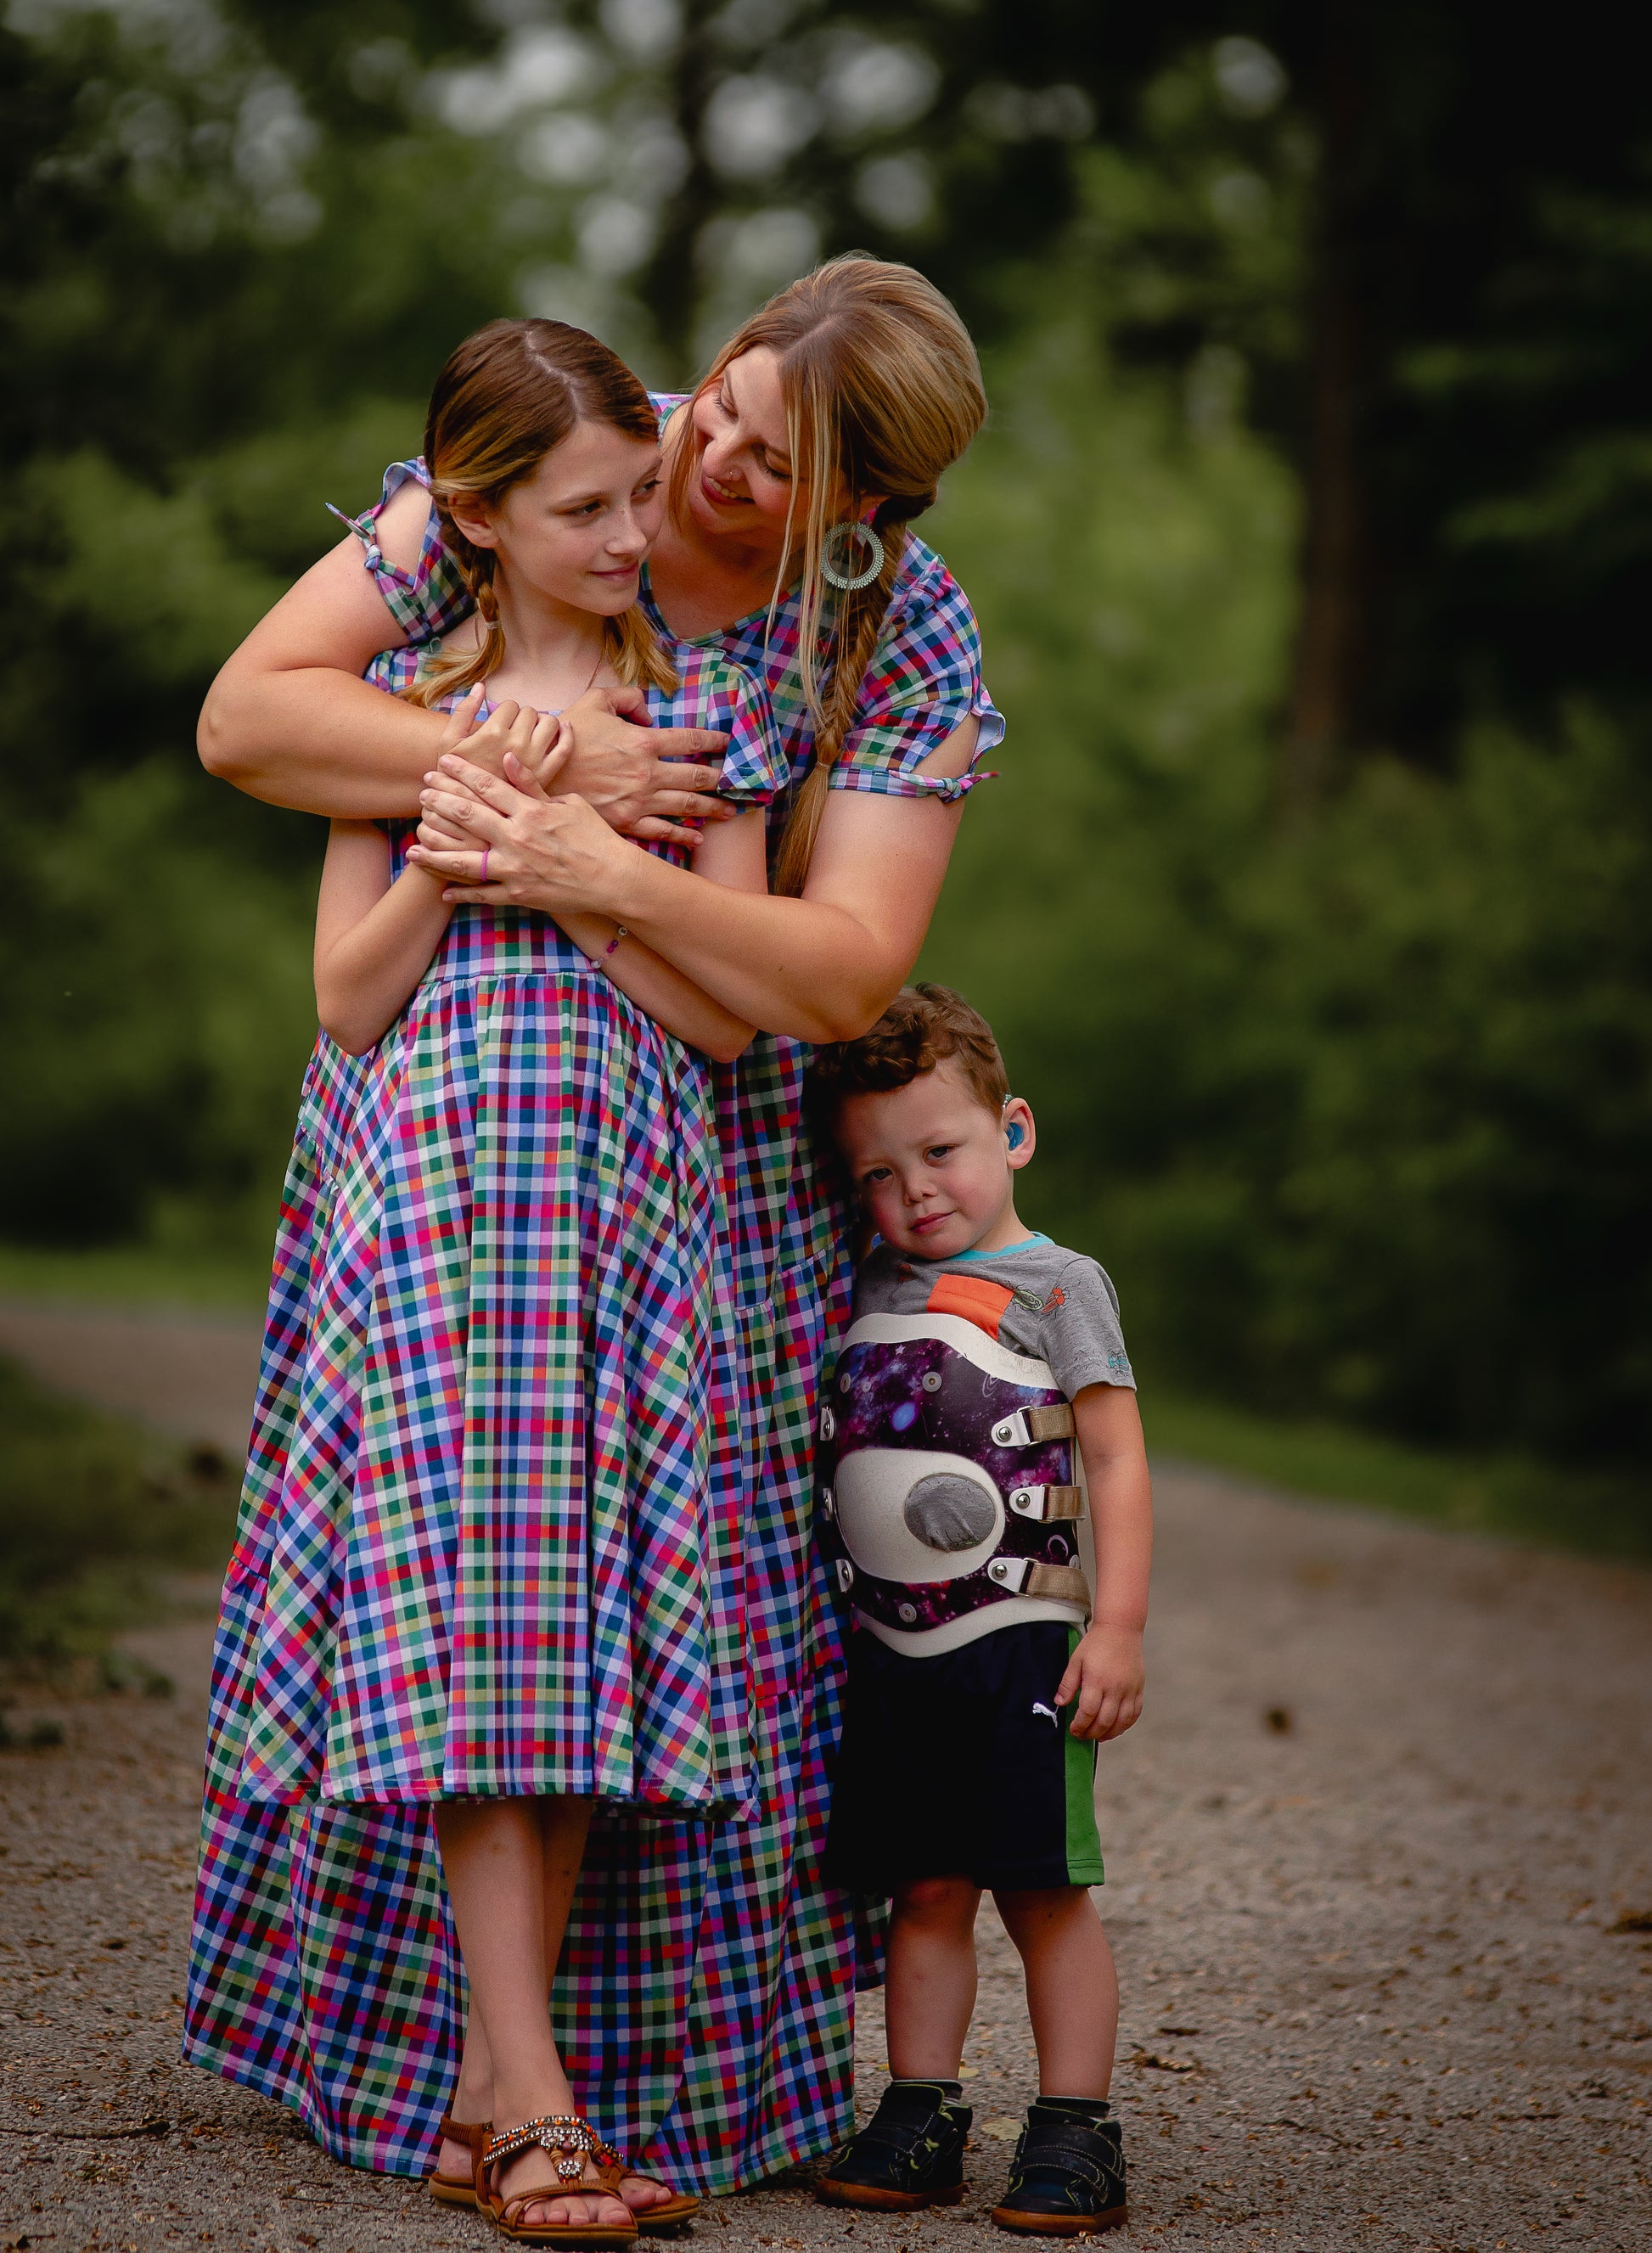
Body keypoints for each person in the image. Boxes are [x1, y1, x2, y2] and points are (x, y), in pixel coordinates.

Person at [190, 256, 1001, 2199]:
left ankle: (546, 2091)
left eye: (763, 463)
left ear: (866, 511)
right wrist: (529, 781)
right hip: (457, 1133)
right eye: (711, 408)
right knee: (460, 1581)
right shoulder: (533, 479)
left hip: (684, 1161)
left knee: (624, 1605)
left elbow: (829, 975)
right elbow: (251, 719)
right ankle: (493, 2086)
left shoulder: (885, 641)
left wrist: (584, 861)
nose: (703, 471)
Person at [805, 984, 1152, 2237]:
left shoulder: (1059, 1285)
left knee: (1039, 1883)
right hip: (889, 1651)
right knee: (925, 1885)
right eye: (878, 1174)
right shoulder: (860, 1282)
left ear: (1012, 1129)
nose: (914, 1192)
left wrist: (1115, 1627)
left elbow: (1114, 1458)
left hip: (1020, 1642)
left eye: (939, 1151)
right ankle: (920, 2111)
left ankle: (1073, 2125)